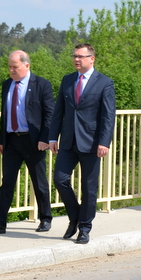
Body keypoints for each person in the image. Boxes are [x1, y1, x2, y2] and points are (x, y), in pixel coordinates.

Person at [48, 43, 116, 244]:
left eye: (81, 56)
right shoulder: (68, 80)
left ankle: (85, 228)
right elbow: (59, 111)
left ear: (91, 59)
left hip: (92, 143)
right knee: (60, 179)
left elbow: (108, 116)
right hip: (68, 141)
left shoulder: (104, 82)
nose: (76, 59)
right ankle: (75, 216)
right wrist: (53, 137)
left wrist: (104, 142)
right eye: (75, 56)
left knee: (89, 188)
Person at [0, 51, 54, 234]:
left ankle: (45, 219)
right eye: (9, 67)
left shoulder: (42, 84)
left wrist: (44, 138)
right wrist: (2, 140)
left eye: (15, 67)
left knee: (39, 182)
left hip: (34, 141)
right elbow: (5, 114)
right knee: (7, 182)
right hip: (12, 141)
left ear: (27, 65)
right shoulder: (7, 84)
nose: (11, 70)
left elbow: (49, 114)